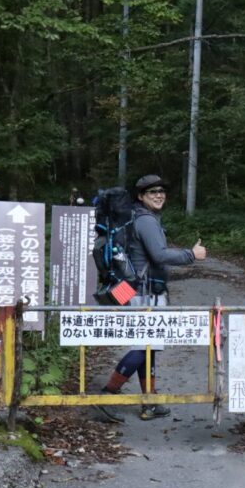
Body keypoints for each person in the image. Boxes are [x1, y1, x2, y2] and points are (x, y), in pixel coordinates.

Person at [96, 174, 207, 422]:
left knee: (149, 347)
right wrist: (192, 254)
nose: (159, 195)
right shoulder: (145, 220)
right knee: (143, 346)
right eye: (152, 192)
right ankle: (107, 394)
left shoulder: (136, 217)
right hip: (142, 293)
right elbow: (160, 255)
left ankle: (149, 402)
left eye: (161, 191)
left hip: (133, 289)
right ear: (140, 196)